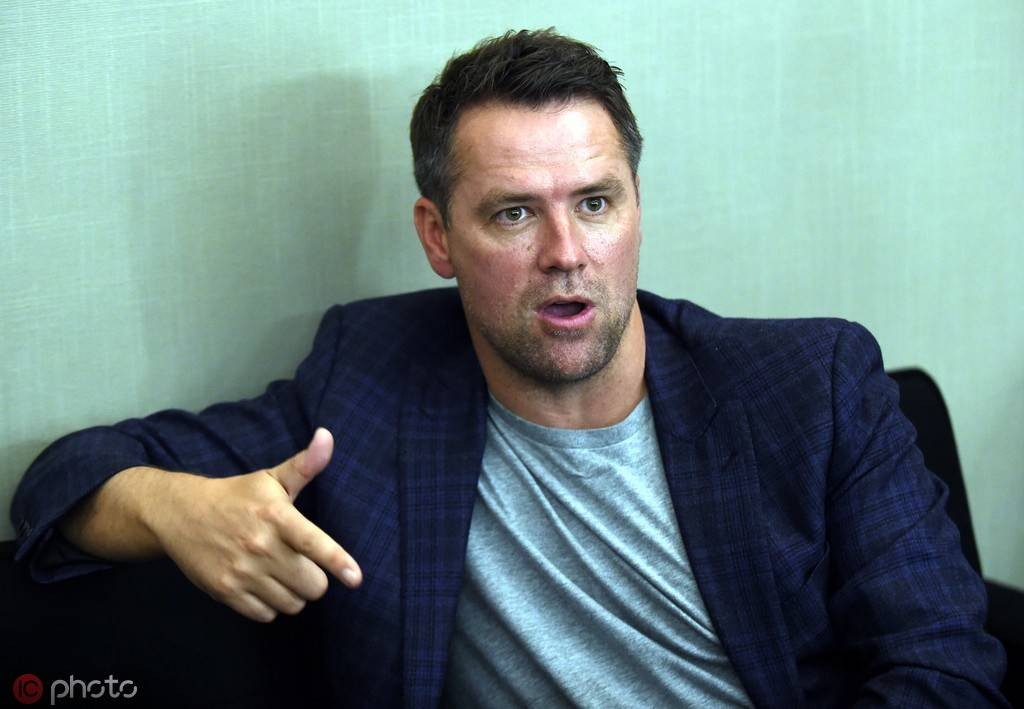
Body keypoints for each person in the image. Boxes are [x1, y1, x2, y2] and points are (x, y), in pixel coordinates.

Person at [10, 29, 1008, 708]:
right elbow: (59, 482)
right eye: (514, 213)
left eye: (595, 202)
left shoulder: (814, 385)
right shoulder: (370, 380)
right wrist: (169, 506)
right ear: (437, 237)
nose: (566, 253)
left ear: (637, 209)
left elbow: (946, 668)